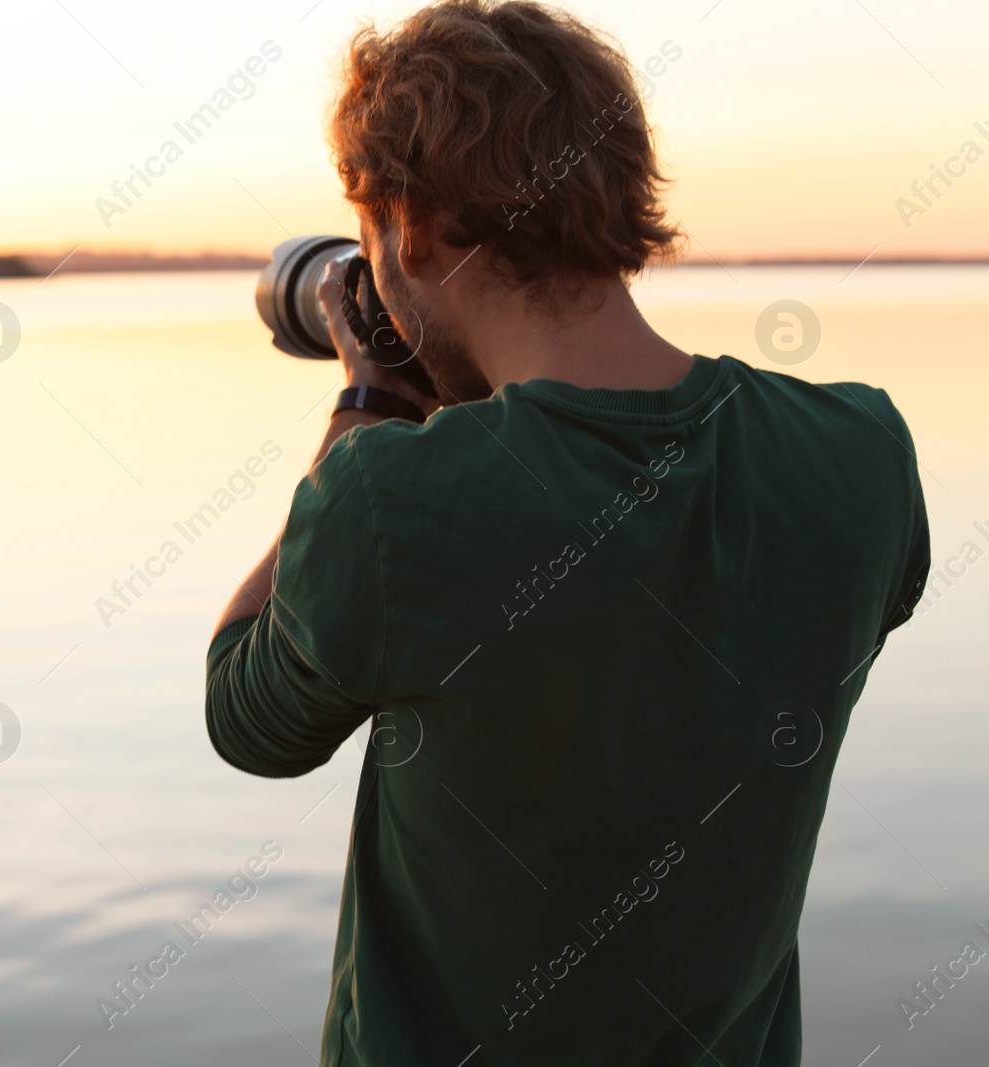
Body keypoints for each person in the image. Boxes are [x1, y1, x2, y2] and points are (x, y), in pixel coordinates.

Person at [203, 2, 931, 1064]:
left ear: (409, 225)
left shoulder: (390, 501)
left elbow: (247, 715)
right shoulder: (859, 454)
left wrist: (366, 405)